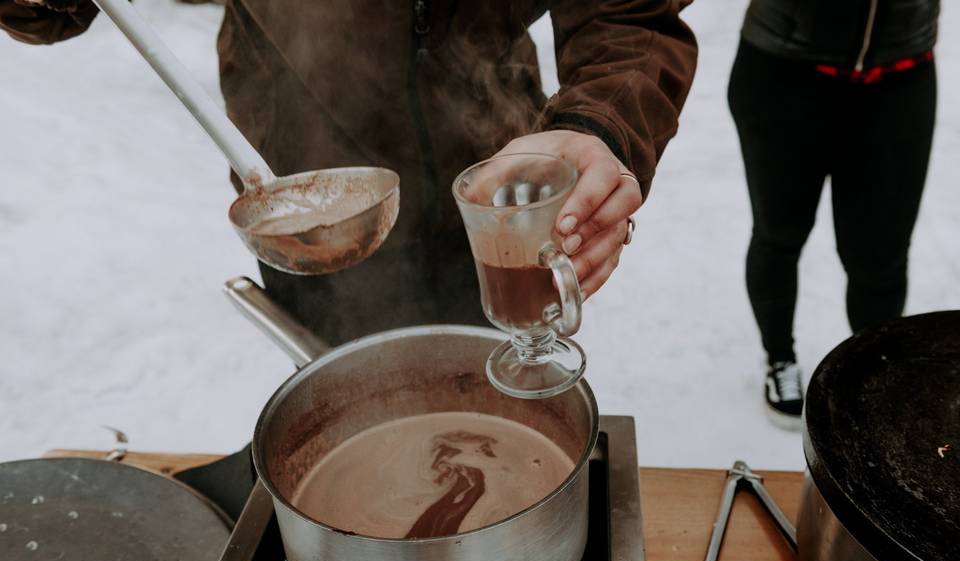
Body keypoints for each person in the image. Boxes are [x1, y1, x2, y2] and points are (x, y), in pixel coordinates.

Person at [2, 0, 697, 346]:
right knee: (346, 406)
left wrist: (598, 124)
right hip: (309, 202)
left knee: (492, 390)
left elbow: (628, 11)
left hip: (497, 178)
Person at [728, 0, 939, 429]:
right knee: (778, 234)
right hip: (785, 67)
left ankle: (871, 378)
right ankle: (780, 357)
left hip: (901, 73)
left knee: (881, 259)